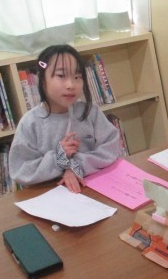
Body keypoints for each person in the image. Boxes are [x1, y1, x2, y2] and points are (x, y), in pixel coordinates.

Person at [9, 44, 121, 193]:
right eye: (61, 76)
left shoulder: (90, 112)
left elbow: (111, 146)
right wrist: (58, 159)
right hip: (49, 193)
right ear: (42, 79)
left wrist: (76, 166)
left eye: (77, 77)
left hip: (90, 187)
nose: (71, 85)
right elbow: (20, 170)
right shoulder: (30, 122)